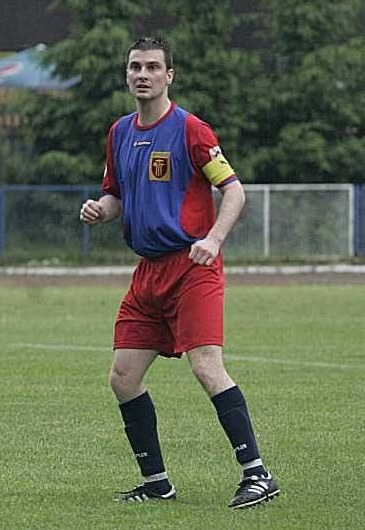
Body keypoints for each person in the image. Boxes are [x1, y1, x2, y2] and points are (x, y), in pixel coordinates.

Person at [79, 37, 280, 509]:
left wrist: (212, 239)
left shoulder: (192, 129)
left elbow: (233, 192)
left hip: (193, 268)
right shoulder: (120, 132)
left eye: (152, 67)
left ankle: (258, 473)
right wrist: (100, 209)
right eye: (134, 67)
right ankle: (157, 483)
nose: (142, 75)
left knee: (207, 367)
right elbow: (116, 195)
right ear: (126, 75)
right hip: (148, 272)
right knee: (123, 377)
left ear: (170, 75)